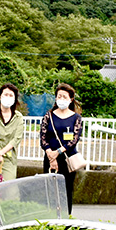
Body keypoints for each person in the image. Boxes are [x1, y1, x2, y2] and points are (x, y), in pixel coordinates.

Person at [40, 83, 83, 214]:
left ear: (71, 99)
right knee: (50, 189)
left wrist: (58, 152)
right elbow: (43, 137)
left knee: (66, 189)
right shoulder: (49, 116)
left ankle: (66, 218)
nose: (61, 99)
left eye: (65, 97)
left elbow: (74, 139)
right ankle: (51, 217)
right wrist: (49, 153)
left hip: (67, 158)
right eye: (59, 96)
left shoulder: (76, 118)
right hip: (49, 158)